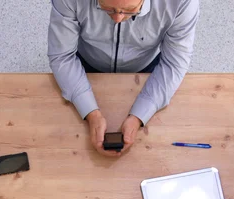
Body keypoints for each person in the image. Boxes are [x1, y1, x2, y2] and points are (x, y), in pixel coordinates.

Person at [48, 0, 199, 157]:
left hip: (146, 70)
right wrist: (91, 113)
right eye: (107, 9)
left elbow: (174, 64)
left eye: (130, 10)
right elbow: (63, 56)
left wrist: (139, 116)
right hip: (85, 64)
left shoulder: (182, 2)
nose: (117, 19)